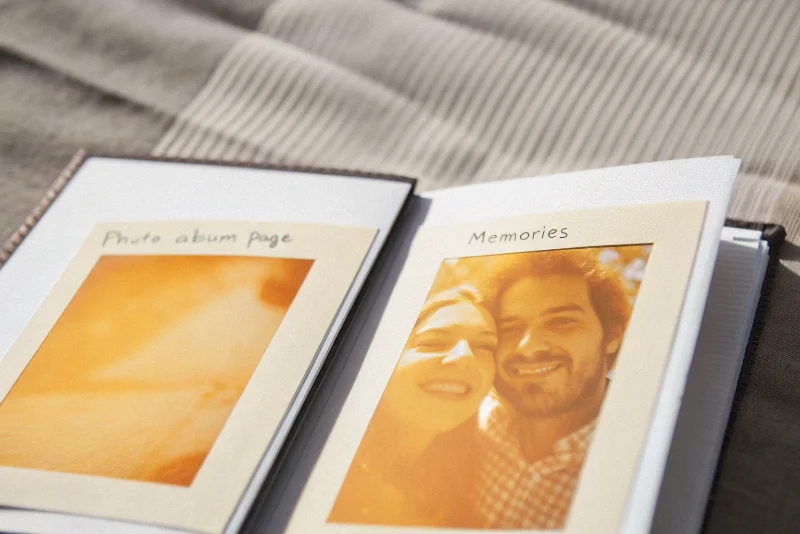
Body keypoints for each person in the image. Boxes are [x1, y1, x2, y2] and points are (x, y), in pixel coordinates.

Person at [472, 249, 632, 529]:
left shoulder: (635, 464)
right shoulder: (469, 424)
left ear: (612, 336)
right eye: (510, 328)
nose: (529, 347)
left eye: (561, 321)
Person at [329, 285, 497, 527]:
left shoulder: (471, 479)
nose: (465, 357)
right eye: (433, 342)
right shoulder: (325, 470)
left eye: (485, 347)